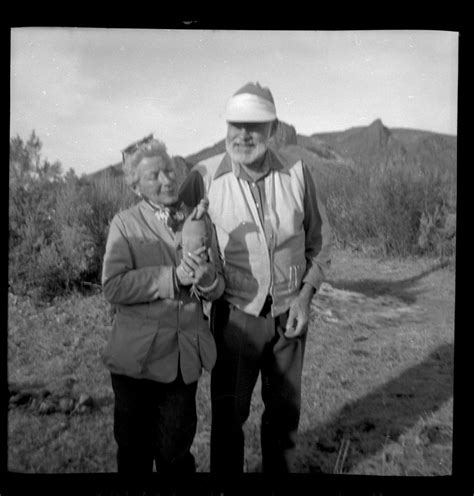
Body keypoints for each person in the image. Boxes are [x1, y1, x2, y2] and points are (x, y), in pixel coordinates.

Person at [179, 82, 332, 474]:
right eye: (236, 125)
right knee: (229, 418)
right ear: (227, 126)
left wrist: (304, 297)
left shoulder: (298, 174)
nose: (244, 135)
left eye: (255, 126)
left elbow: (321, 241)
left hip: (289, 317)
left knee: (284, 416)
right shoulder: (204, 176)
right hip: (235, 318)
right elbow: (173, 229)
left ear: (273, 129)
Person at [101, 135, 225, 476]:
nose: (167, 180)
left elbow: (216, 287)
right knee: (134, 455)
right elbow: (113, 286)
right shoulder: (124, 224)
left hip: (182, 362)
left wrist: (206, 279)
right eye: (154, 176)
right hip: (136, 363)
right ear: (136, 187)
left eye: (169, 170)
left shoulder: (198, 220)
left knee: (176, 456)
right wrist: (173, 278)